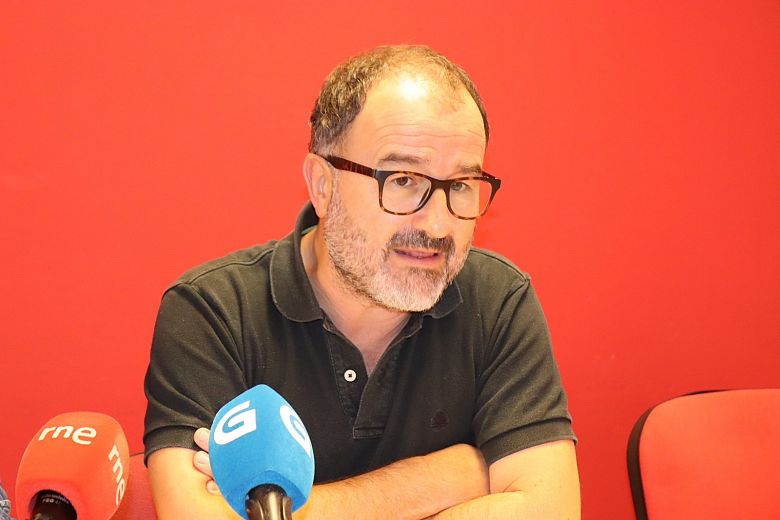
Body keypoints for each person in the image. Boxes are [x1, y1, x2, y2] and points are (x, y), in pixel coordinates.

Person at [143, 44, 580, 519]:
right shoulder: (211, 312)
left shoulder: (498, 300)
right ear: (323, 185)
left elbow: (550, 509)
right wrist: (454, 475)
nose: (438, 225)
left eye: (459, 185)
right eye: (404, 180)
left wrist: (293, 510)